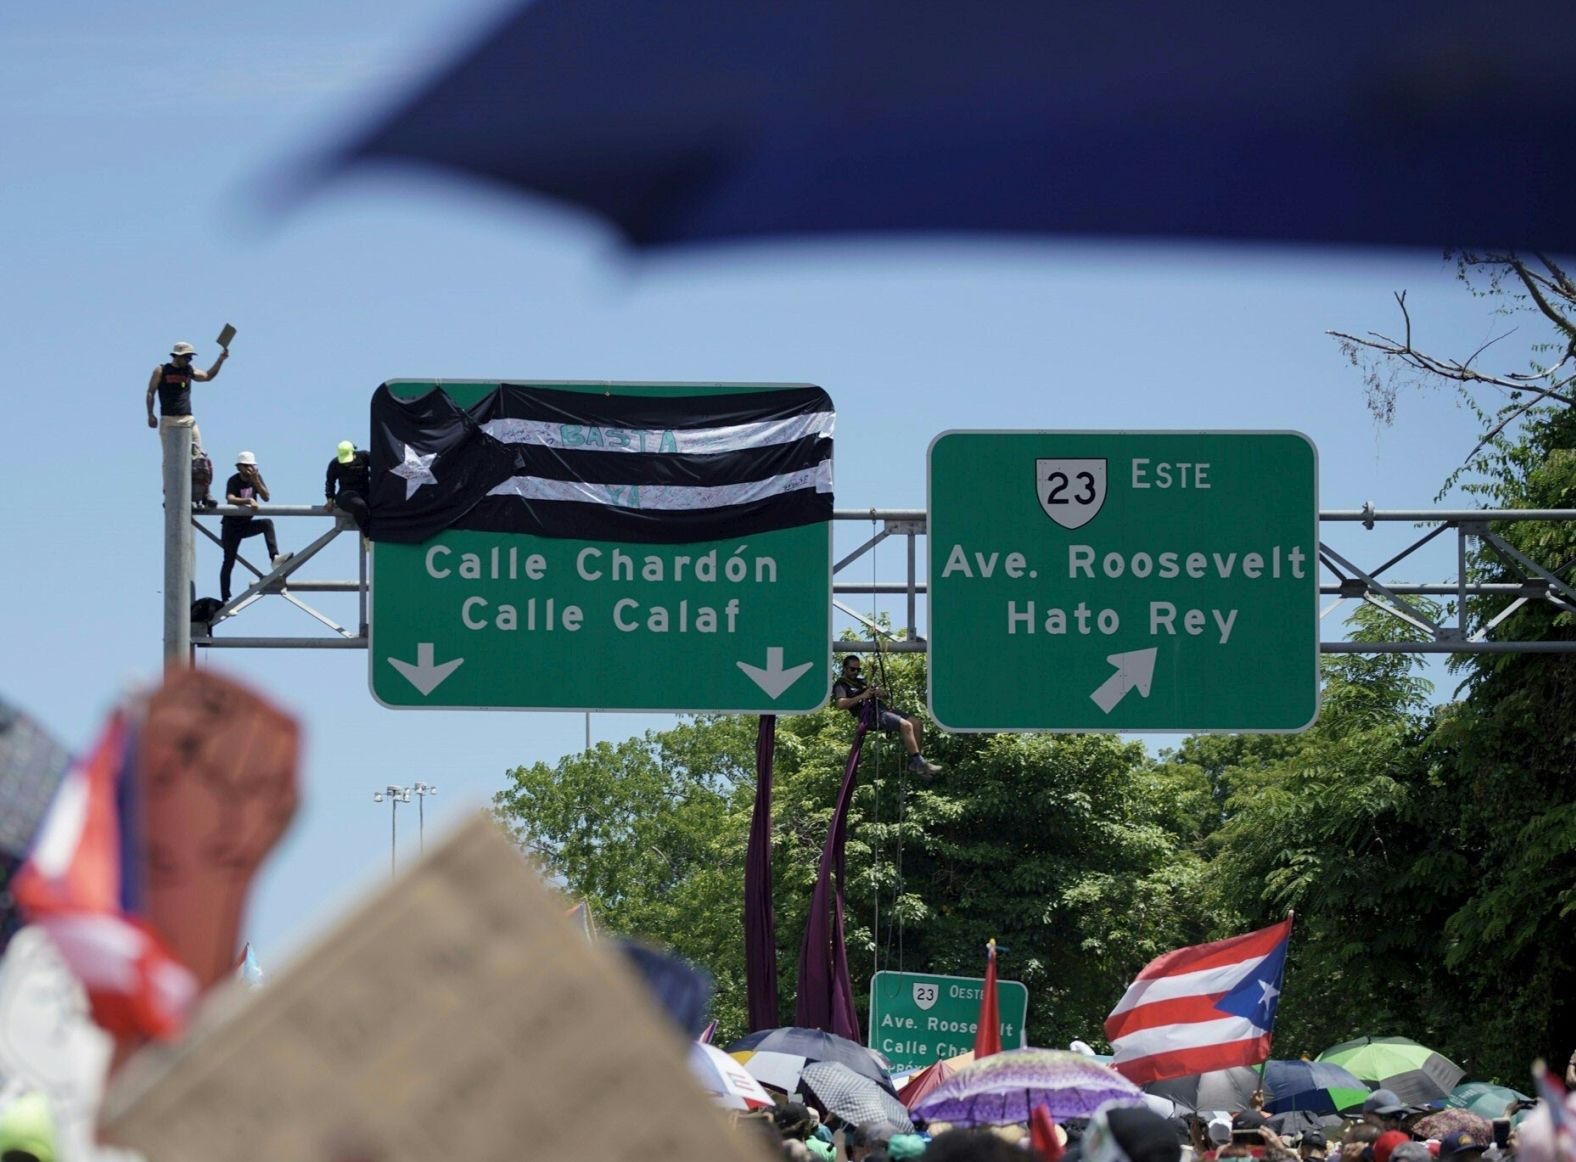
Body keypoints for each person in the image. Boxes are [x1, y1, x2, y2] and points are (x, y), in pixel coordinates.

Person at [146, 340, 227, 504]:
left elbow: (207, 376)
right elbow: (150, 392)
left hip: (188, 419)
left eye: (190, 358)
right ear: (177, 356)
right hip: (169, 420)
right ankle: (169, 492)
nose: (189, 361)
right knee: (170, 459)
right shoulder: (161, 370)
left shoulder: (188, 371)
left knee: (199, 456)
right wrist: (150, 414)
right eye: (187, 357)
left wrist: (220, 360)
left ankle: (204, 493)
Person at [831, 655, 941, 776]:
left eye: (858, 670)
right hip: (871, 716)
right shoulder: (841, 685)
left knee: (917, 723)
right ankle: (921, 763)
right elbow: (841, 704)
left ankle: (916, 763)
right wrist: (862, 696)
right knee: (906, 725)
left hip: (882, 709)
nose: (856, 672)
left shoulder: (862, 682)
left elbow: (886, 695)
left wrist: (878, 692)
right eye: (853, 669)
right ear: (845, 668)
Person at [219, 452, 289, 602]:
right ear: (239, 467)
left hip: (245, 525)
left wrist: (256, 481)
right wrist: (249, 500)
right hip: (231, 527)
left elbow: (266, 497)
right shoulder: (234, 480)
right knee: (229, 562)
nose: (250, 468)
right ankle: (225, 598)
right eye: (246, 466)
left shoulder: (256, 478)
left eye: (252, 465)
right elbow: (230, 499)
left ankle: (274, 558)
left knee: (267, 523)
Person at [324, 439, 371, 536]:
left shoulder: (364, 456)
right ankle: (368, 536)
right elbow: (330, 483)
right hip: (346, 494)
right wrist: (330, 500)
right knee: (360, 505)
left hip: (365, 490)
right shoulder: (335, 464)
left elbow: (380, 467)